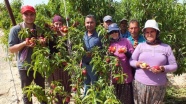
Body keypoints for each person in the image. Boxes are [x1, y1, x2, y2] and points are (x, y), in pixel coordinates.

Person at [129, 19, 178, 104]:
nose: (149, 34)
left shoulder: (166, 48)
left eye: (152, 31)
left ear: (157, 32)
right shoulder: (141, 46)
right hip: (140, 84)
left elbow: (174, 66)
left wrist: (163, 68)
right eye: (147, 32)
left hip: (158, 86)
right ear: (144, 34)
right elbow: (131, 61)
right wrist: (138, 64)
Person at [8, 5, 46, 104]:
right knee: (27, 94)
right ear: (22, 16)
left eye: (32, 14)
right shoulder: (16, 30)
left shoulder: (39, 29)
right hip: (25, 66)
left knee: (42, 93)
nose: (29, 17)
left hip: (39, 66)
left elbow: (45, 47)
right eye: (26, 14)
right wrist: (24, 43)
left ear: (35, 15)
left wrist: (42, 43)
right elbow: (11, 49)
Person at [108, 23, 134, 104]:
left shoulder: (126, 41)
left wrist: (126, 52)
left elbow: (132, 57)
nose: (114, 33)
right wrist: (110, 55)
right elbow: (107, 59)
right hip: (115, 77)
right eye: (111, 32)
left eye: (115, 31)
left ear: (118, 31)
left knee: (126, 100)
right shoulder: (109, 43)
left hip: (126, 76)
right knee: (116, 99)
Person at [48, 15, 71, 104]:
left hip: (64, 66)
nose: (58, 26)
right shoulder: (50, 35)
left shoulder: (66, 35)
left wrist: (62, 34)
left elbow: (69, 46)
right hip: (53, 66)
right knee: (55, 88)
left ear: (63, 25)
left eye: (60, 24)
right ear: (53, 24)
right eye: (56, 24)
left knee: (66, 86)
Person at [82, 14, 102, 96]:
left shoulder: (99, 35)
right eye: (87, 23)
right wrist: (81, 61)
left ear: (95, 23)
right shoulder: (83, 35)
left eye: (91, 22)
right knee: (86, 85)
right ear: (85, 23)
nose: (89, 25)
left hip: (94, 65)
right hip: (84, 65)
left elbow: (103, 50)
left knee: (95, 86)